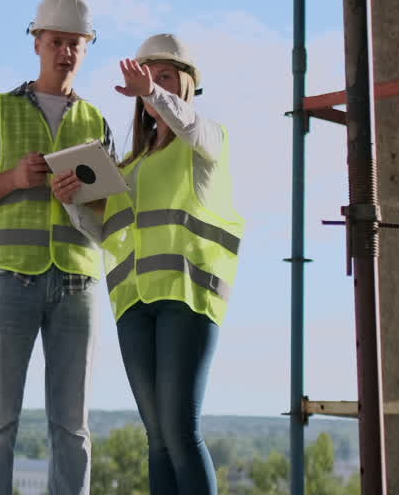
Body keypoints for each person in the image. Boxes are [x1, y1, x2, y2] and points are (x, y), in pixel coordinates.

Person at [53, 33, 244, 495]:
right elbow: (108, 234)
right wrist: (74, 205)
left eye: (164, 77)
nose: (153, 85)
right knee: (157, 440)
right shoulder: (130, 163)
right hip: (134, 304)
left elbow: (191, 128)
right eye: (147, 77)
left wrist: (150, 93)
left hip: (185, 296)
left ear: (186, 87)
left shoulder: (207, 140)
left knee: (180, 432)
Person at [0, 0, 115, 495]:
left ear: (86, 49)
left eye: (75, 44)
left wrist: (80, 199)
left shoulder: (96, 123)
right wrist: (14, 179)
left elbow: (109, 216)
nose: (66, 51)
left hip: (77, 285)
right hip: (9, 281)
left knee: (73, 428)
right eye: (57, 41)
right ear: (37, 42)